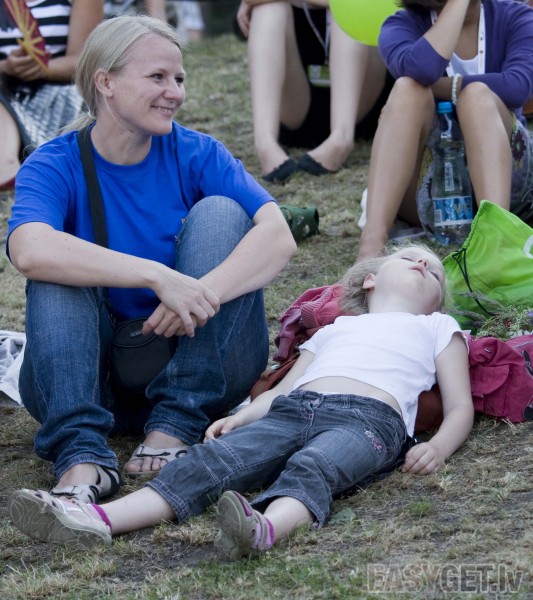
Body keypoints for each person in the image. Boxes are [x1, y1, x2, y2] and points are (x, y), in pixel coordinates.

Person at [8, 244, 474, 561]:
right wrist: (247, 414)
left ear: (436, 302)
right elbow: (285, 388)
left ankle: (263, 530)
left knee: (315, 466)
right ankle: (96, 519)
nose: (423, 264)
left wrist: (439, 446)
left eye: (434, 270)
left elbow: (459, 407)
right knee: (210, 461)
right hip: (296, 408)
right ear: (370, 280)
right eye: (410, 257)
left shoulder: (437, 327)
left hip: (369, 422)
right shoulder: (336, 329)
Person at [6, 16, 296, 503]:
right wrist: (158, 277)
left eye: (178, 78)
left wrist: (200, 293)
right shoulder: (54, 162)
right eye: (157, 77)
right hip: (92, 379)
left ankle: (176, 421)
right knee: (55, 265)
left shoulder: (198, 152)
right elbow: (29, 249)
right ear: (106, 82)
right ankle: (80, 456)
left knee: (223, 213)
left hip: (200, 369)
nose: (174, 92)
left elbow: (278, 236)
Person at [357, 0, 533, 261]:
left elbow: (517, 86)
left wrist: (445, 87)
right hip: (432, 191)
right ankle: (371, 246)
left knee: (476, 96)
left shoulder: (517, 16)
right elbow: (420, 69)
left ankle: (496, 241)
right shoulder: (400, 24)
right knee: (407, 90)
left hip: (508, 185)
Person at [235, 0, 394, 182]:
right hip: (297, 106)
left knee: (348, 5)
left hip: (360, 103)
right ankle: (265, 144)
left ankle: (341, 138)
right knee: (268, 9)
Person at [0, 0, 104, 192]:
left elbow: (87, 60)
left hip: (57, 95)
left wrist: (42, 69)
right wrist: (6, 67)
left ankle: (9, 174)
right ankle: (8, 170)